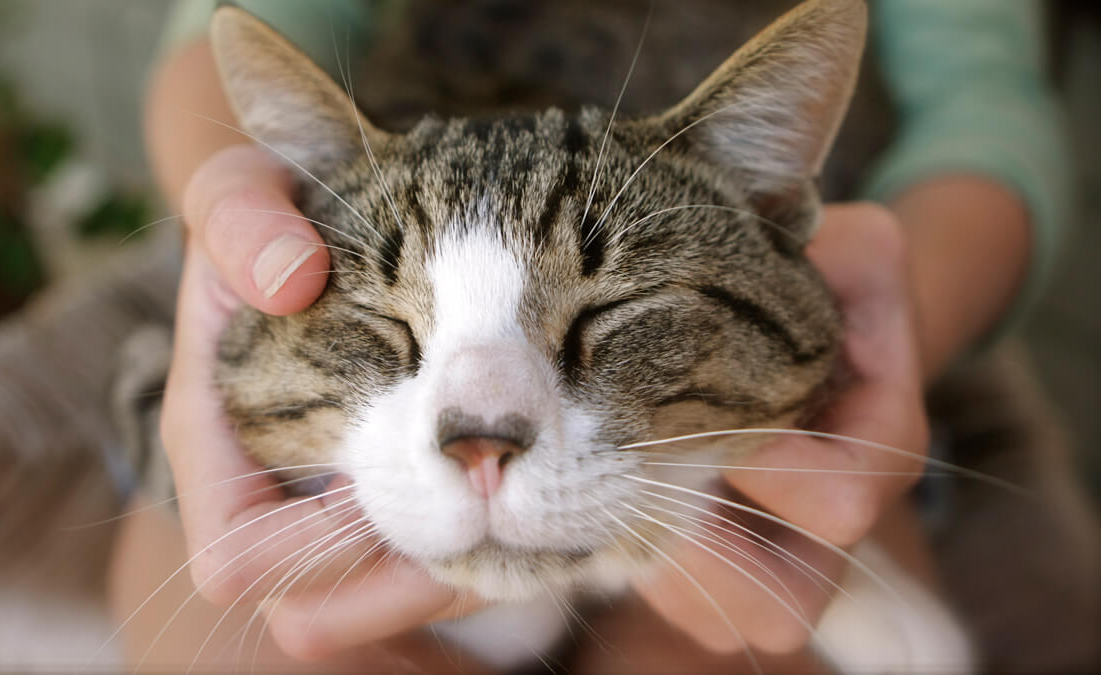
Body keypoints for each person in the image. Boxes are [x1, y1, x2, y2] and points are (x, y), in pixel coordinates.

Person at [111, 0, 1069, 670]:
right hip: (411, 125)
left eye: (603, 318)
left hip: (778, 232)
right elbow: (236, 30)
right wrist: (231, 212)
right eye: (385, 325)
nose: (480, 439)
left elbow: (980, 108)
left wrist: (891, 341)